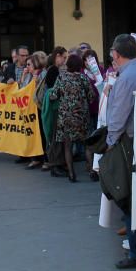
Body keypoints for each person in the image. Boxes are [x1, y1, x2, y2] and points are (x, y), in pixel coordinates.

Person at [106, 34, 136, 269]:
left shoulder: (127, 78)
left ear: (116, 54)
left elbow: (118, 113)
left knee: (126, 194)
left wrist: (111, 140)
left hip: (129, 139)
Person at [48, 53, 93, 182]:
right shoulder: (83, 78)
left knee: (68, 146)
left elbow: (53, 96)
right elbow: (91, 96)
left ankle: (72, 174)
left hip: (66, 117)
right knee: (87, 145)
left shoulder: (61, 78)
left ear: (68, 65)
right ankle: (91, 171)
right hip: (81, 116)